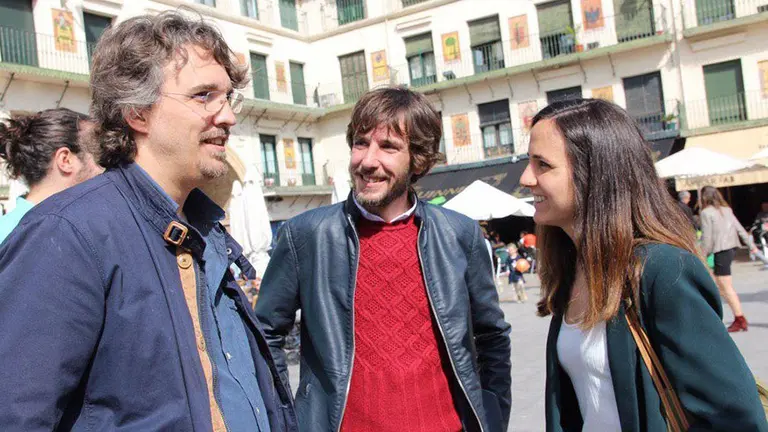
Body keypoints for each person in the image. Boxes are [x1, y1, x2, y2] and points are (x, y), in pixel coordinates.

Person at [0, 12, 296, 431]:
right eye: (203, 96)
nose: (228, 116)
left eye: (228, 98)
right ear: (137, 113)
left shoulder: (205, 230)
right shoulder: (67, 234)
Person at [255, 87, 512, 432]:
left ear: (418, 158)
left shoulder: (459, 234)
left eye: (388, 147)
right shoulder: (306, 236)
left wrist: (493, 420)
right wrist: (288, 421)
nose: (367, 161)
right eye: (361, 143)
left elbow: (491, 337)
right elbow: (265, 335)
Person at [519, 99, 767, 431]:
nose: (526, 178)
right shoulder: (573, 268)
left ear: (595, 172)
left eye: (542, 164)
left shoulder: (662, 270)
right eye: (529, 162)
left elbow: (738, 417)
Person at [0, 108, 102, 243]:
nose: (107, 168)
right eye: (99, 155)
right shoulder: (41, 234)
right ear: (65, 160)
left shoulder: (10, 228)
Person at [699, 185, 756, 332]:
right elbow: (739, 228)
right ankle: (738, 317)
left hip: (720, 250)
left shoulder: (706, 213)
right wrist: (751, 245)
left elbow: (707, 238)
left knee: (725, 286)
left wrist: (702, 255)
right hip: (730, 248)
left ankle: (739, 318)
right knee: (722, 284)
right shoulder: (727, 210)